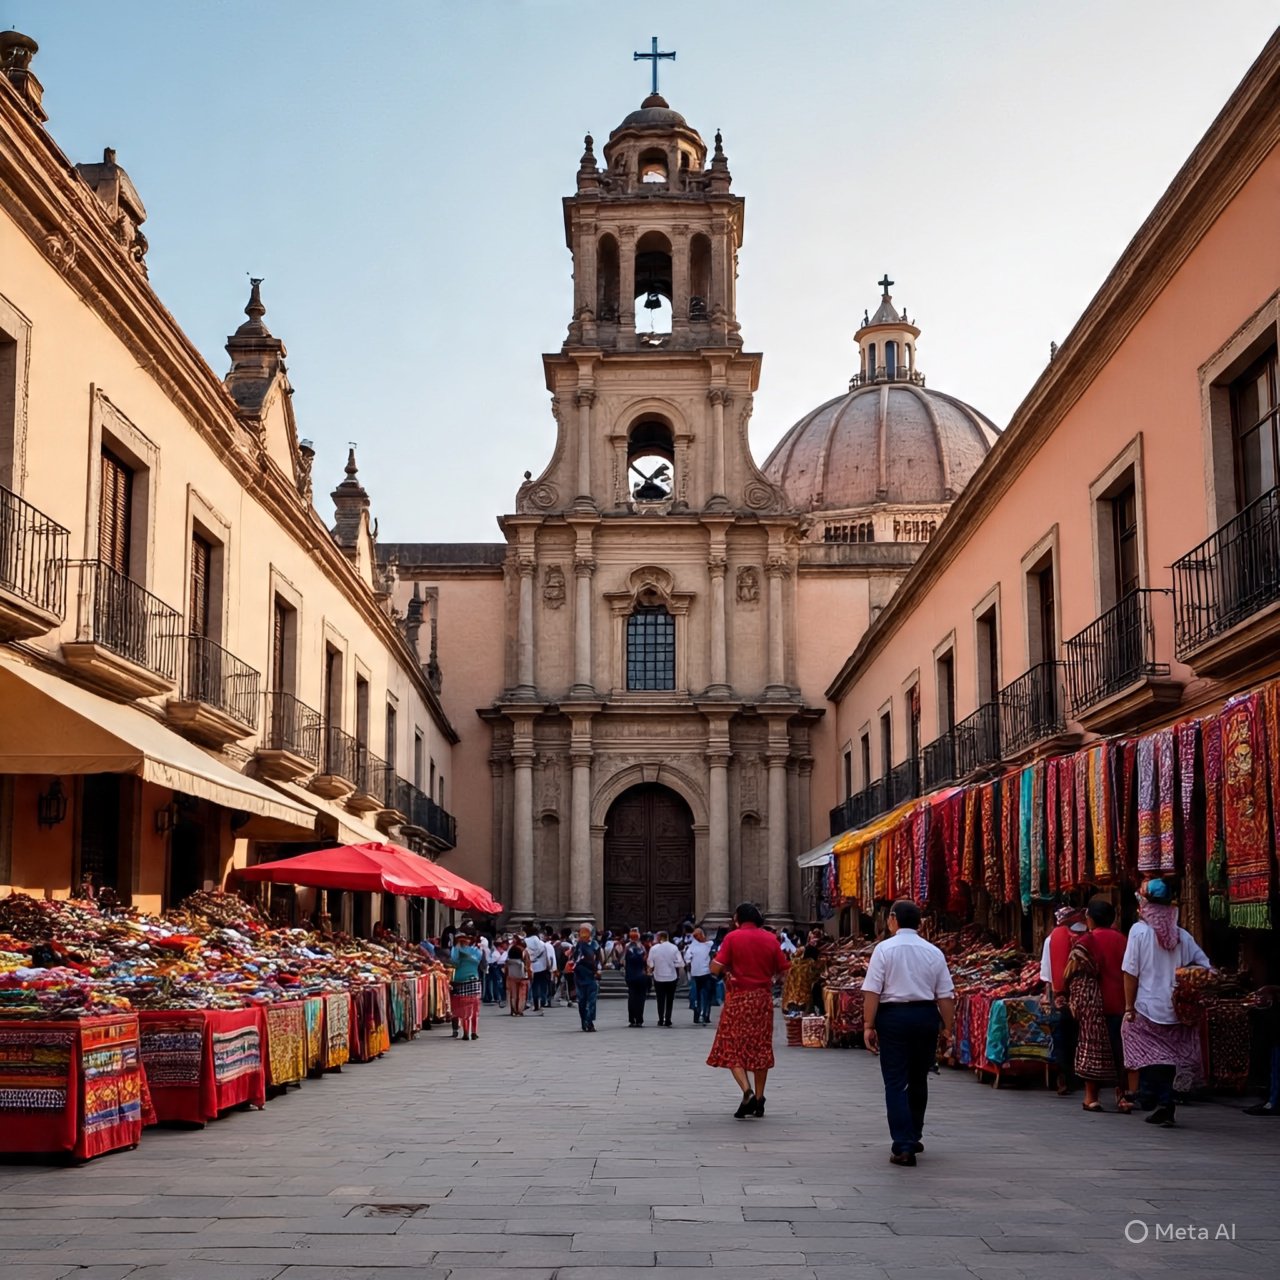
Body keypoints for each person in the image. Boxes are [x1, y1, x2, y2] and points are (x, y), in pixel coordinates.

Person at [862, 899, 956, 1166]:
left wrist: (868, 1025)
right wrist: (948, 1028)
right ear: (920, 924)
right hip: (925, 1016)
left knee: (895, 1080)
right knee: (918, 1077)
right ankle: (913, 1134)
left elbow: (873, 991)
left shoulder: (884, 950)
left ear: (893, 920)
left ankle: (903, 1144)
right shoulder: (933, 952)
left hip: (893, 1017)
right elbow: (945, 995)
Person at [1120, 878, 1211, 1128]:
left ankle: (1154, 1095)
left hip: (1147, 1006)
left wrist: (1128, 1007)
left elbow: (1130, 971)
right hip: (1175, 1010)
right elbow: (1205, 967)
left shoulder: (1139, 932)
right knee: (1168, 1056)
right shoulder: (1183, 936)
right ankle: (1163, 1100)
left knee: (1152, 1053)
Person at [707, 903, 789, 1118]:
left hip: (738, 999)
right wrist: (770, 979)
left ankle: (747, 1091)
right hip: (762, 1000)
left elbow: (715, 967)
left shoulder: (733, 938)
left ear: (738, 919)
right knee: (760, 1047)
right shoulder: (770, 939)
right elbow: (783, 970)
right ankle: (759, 1099)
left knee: (731, 1045)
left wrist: (725, 969)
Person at [1064, 897, 1131, 1113]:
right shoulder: (1123, 939)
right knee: (1120, 1050)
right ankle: (1122, 1096)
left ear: (1090, 919)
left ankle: (1091, 1097)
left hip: (1094, 1005)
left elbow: (1072, 972)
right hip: (1122, 1002)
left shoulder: (1087, 941)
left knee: (1091, 1048)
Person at [1042, 905, 1088, 1095]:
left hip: (1061, 996)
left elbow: (1047, 975)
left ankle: (1064, 1076)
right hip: (1087, 995)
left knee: (1062, 1036)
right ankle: (1083, 1076)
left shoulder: (1052, 939)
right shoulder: (1089, 936)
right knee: (1083, 1036)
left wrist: (1048, 997)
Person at [449, 931, 484, 1041]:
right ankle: (473, 1032)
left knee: (465, 1008)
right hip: (474, 980)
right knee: (474, 1008)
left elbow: (454, 962)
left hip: (462, 981)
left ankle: (466, 1032)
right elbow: (480, 961)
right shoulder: (476, 951)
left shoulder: (456, 950)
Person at [648, 931, 686, 1027]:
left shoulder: (654, 948)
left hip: (658, 977)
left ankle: (661, 1019)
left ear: (659, 937)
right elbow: (681, 963)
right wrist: (673, 964)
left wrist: (654, 966)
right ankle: (668, 1019)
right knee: (670, 999)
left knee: (660, 999)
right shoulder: (674, 948)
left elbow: (650, 962)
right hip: (671, 977)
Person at [571, 923, 602, 1032]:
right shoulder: (577, 946)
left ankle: (589, 1022)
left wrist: (598, 970)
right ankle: (584, 1021)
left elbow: (598, 959)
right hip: (580, 976)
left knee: (591, 1000)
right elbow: (573, 960)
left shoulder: (595, 945)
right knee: (582, 1001)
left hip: (591, 976)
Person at [686, 927, 716, 1025]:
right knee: (704, 995)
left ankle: (699, 1015)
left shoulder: (692, 946)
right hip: (704, 972)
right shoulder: (708, 944)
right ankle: (704, 1015)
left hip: (698, 973)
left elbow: (687, 958)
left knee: (698, 995)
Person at [624, 928, 650, 1027]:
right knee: (641, 998)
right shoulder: (642, 947)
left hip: (630, 975)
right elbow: (646, 960)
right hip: (641, 975)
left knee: (632, 996)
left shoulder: (627, 947)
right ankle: (639, 1019)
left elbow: (622, 961)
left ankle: (632, 1019)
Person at [525, 925, 550, 1014]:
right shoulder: (541, 943)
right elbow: (545, 954)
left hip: (531, 966)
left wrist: (531, 958)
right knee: (541, 985)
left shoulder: (525, 941)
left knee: (533, 985)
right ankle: (542, 1002)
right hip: (541, 966)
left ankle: (534, 1003)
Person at [505, 935, 529, 1016]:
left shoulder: (511, 950)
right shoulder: (524, 951)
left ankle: (513, 1009)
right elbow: (527, 964)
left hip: (511, 974)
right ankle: (520, 1009)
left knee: (513, 993)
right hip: (522, 975)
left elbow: (506, 963)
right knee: (522, 993)